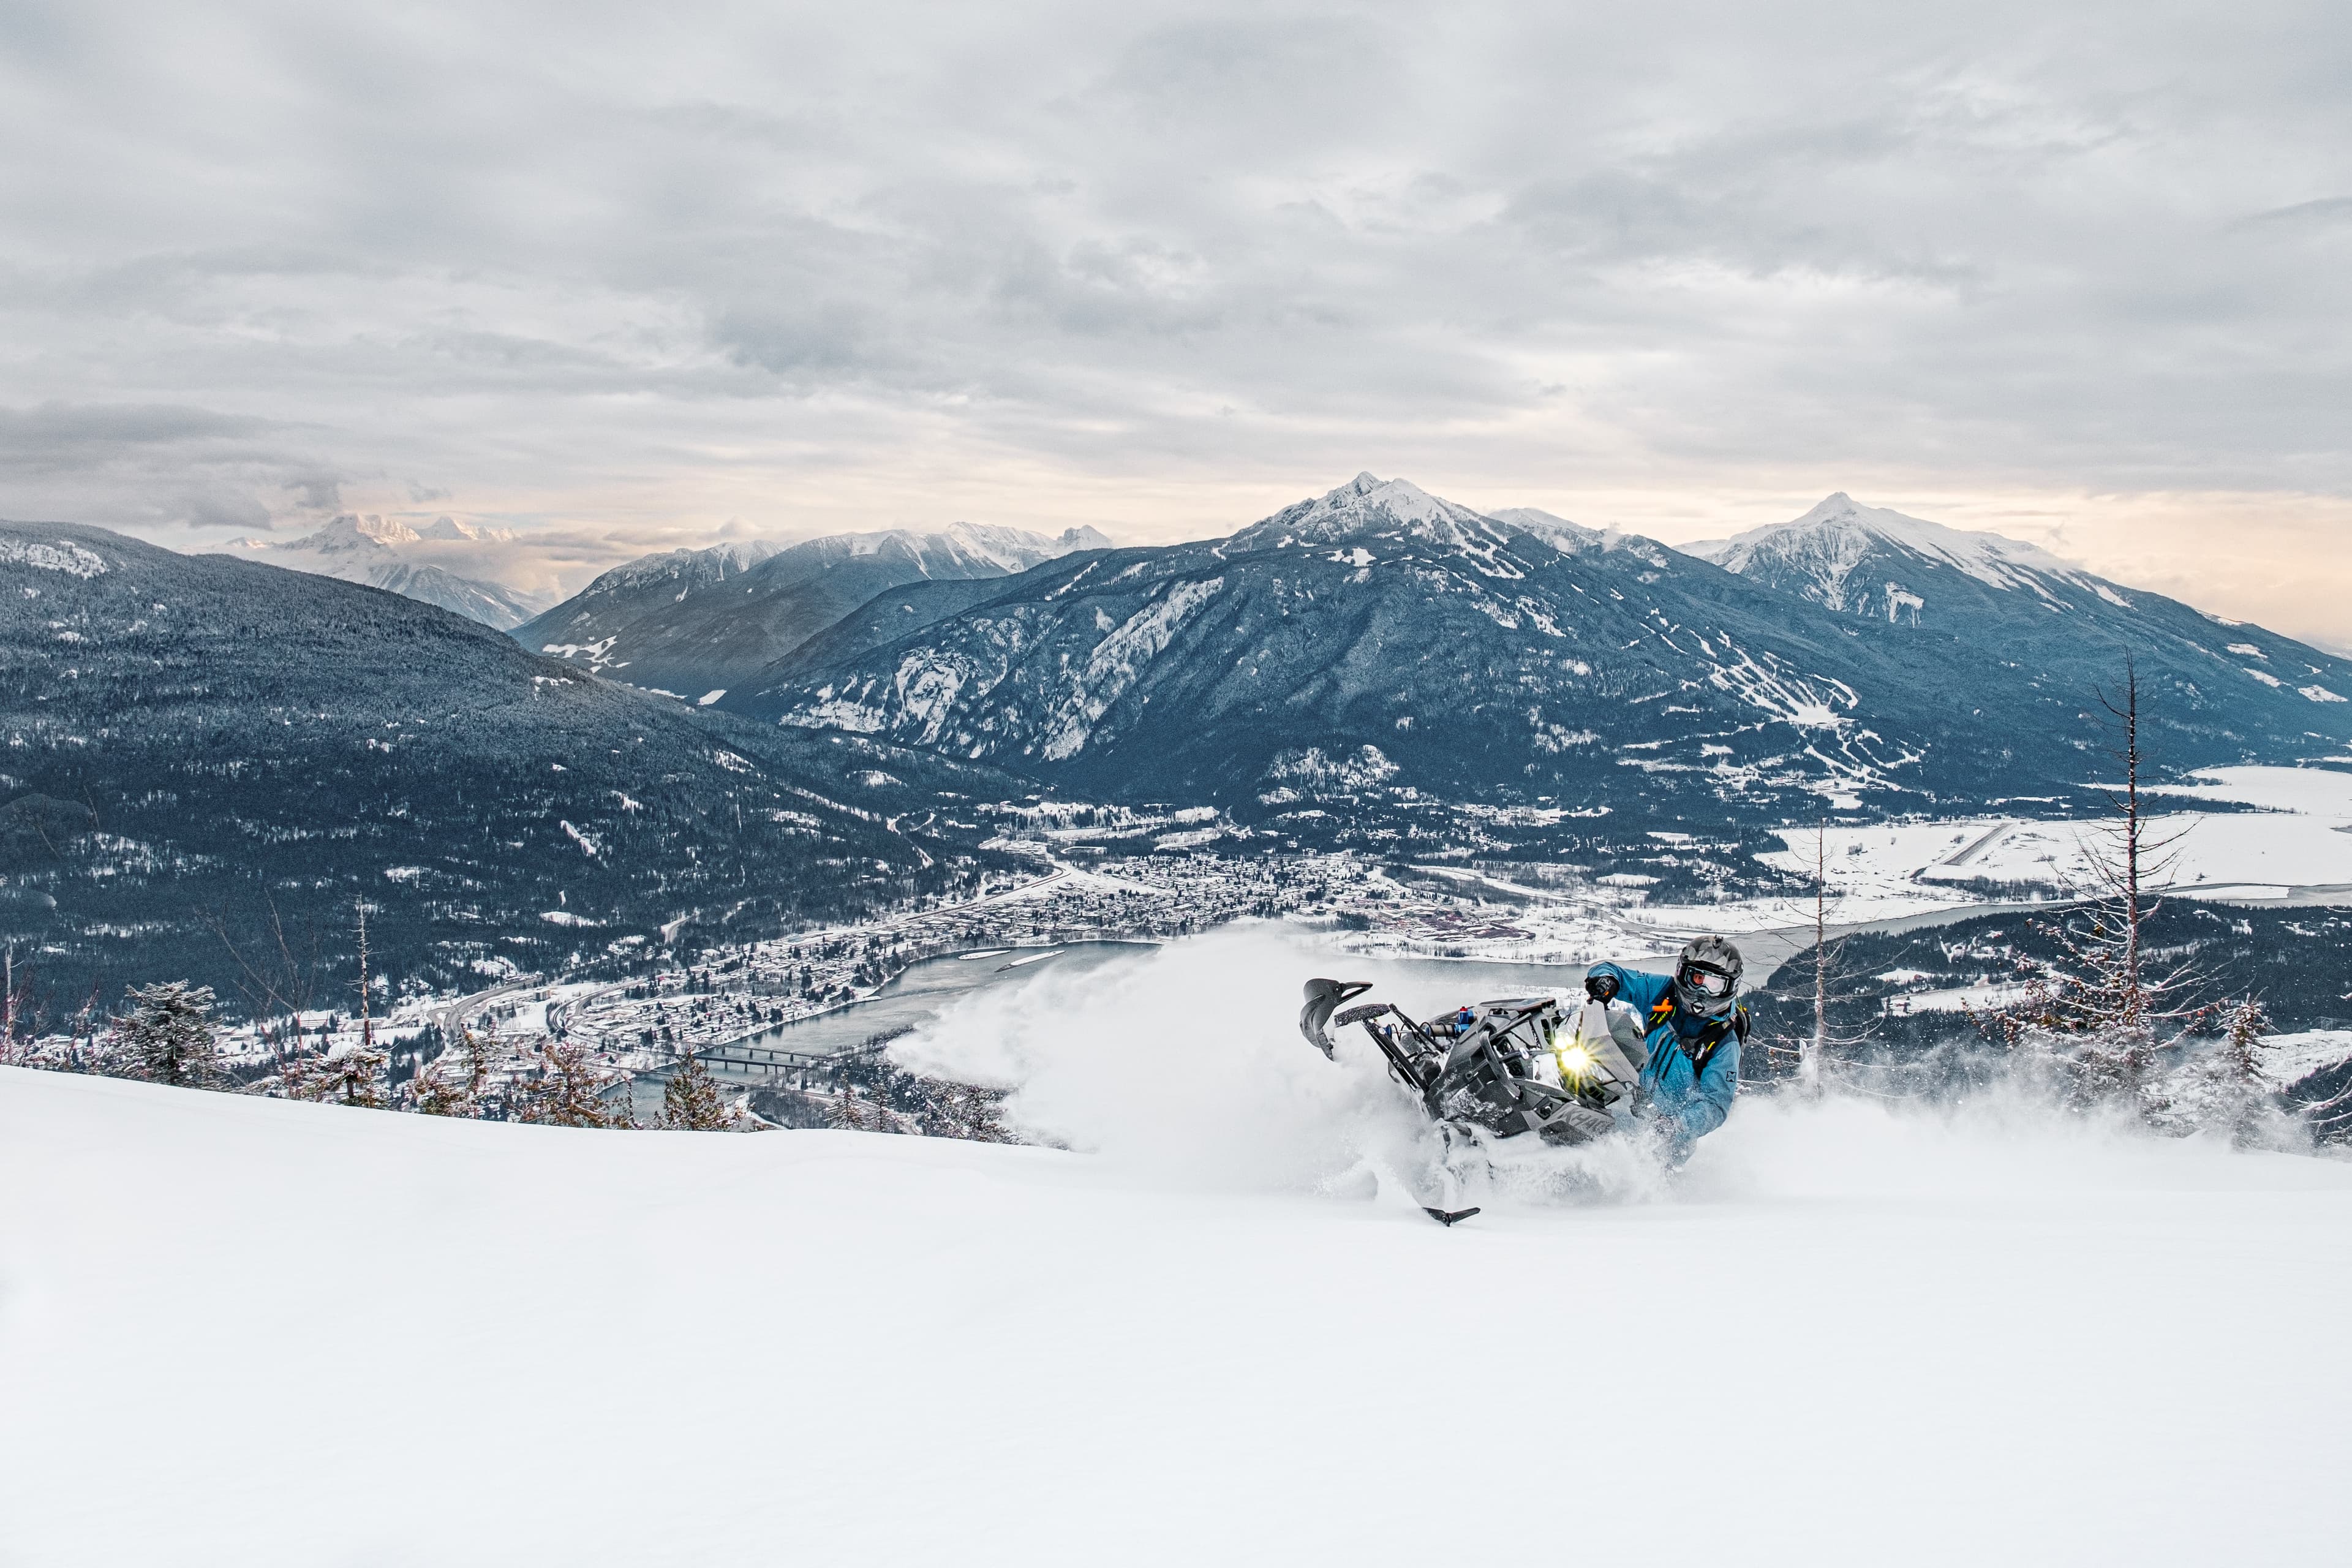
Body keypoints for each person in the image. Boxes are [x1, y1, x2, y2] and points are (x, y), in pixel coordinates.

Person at [1583, 936, 1749, 1153]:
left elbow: (1715, 1105)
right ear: (1683, 973)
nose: (1703, 991)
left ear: (1729, 988)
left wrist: (1679, 1125)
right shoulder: (1664, 993)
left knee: (1639, 1182)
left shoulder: (1724, 1042)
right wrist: (1607, 980)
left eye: (1714, 985)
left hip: (1668, 1139)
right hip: (1625, 1101)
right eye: (1698, 979)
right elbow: (1618, 974)